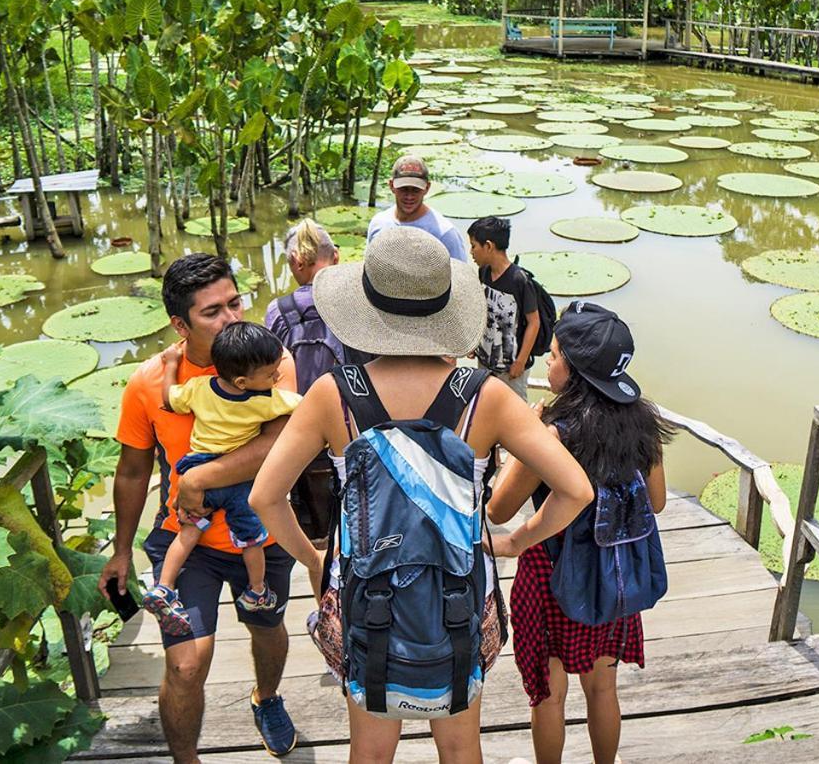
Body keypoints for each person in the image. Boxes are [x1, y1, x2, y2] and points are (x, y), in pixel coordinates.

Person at [248, 229, 594, 764]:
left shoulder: (333, 394)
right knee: (459, 747)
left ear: (365, 308)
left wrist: (316, 561)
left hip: (366, 595)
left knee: (370, 750)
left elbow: (265, 499)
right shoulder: (486, 394)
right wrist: (514, 541)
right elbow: (576, 489)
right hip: (460, 593)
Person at [97, 254, 300, 760]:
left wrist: (201, 477)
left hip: (261, 532)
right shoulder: (150, 383)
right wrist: (121, 551)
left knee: (268, 629)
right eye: (213, 311)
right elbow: (132, 470)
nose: (232, 317)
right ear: (180, 325)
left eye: (235, 303)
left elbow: (280, 441)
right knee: (186, 666)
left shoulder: (270, 362)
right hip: (186, 540)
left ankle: (267, 696)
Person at [488, 302, 674, 764]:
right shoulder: (641, 422)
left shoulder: (553, 433)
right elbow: (656, 502)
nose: (547, 363)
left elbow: (498, 509)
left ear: (575, 371)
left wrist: (522, 437)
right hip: (612, 576)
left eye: (553, 356)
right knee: (603, 688)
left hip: (551, 577)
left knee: (549, 695)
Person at [142, 322, 302, 635]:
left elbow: (169, 399)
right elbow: (305, 406)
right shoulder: (265, 401)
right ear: (243, 381)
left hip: (196, 467)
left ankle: (163, 588)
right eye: (271, 374)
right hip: (237, 479)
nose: (277, 377)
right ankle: (257, 591)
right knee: (251, 539)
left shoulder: (200, 388)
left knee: (187, 533)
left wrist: (172, 364)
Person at [265, 218, 371, 539]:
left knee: (313, 521)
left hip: (300, 433)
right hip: (356, 427)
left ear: (296, 262)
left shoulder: (278, 311)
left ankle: (319, 560)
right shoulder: (361, 302)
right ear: (335, 257)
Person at [467, 215, 541, 399]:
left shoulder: (519, 280)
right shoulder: (483, 272)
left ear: (489, 246)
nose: (471, 252)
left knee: (515, 410)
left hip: (512, 367)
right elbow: (482, 309)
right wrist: (474, 343)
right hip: (486, 360)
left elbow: (534, 322)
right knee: (485, 402)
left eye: (474, 245)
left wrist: (521, 361)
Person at [365, 155, 468, 261]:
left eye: (416, 190)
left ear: (427, 188)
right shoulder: (378, 223)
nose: (409, 196)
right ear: (391, 186)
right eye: (403, 189)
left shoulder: (444, 233)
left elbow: (461, 274)